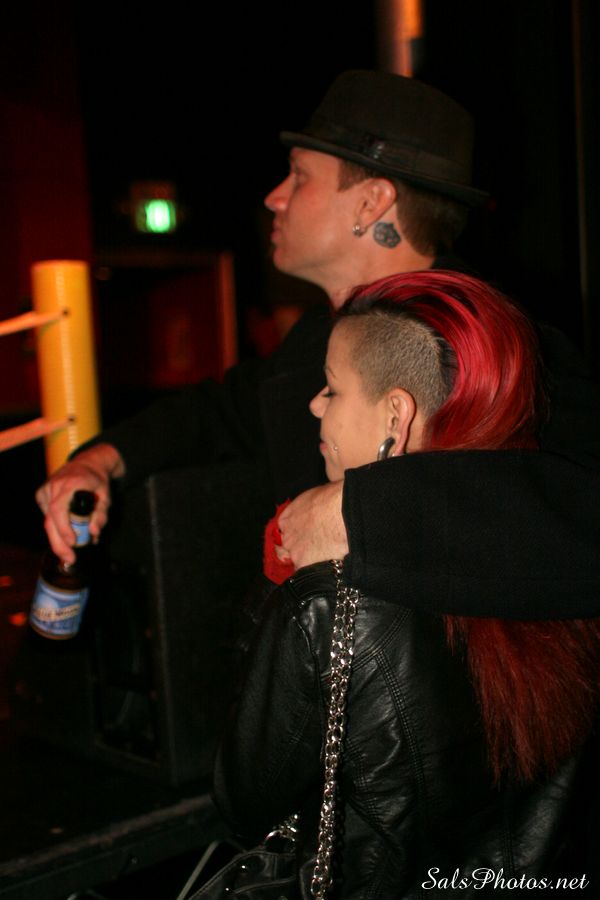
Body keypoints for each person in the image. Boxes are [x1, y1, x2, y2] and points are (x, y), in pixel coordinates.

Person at [35, 70, 600, 618]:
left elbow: (578, 514)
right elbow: (217, 412)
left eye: (299, 175)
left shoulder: (506, 345)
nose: (274, 197)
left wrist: (362, 515)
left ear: (371, 204)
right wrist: (97, 463)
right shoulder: (316, 339)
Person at [213, 271, 600, 898]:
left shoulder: (328, 602)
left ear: (396, 413)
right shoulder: (557, 573)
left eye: (332, 388)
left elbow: (243, 801)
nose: (315, 405)